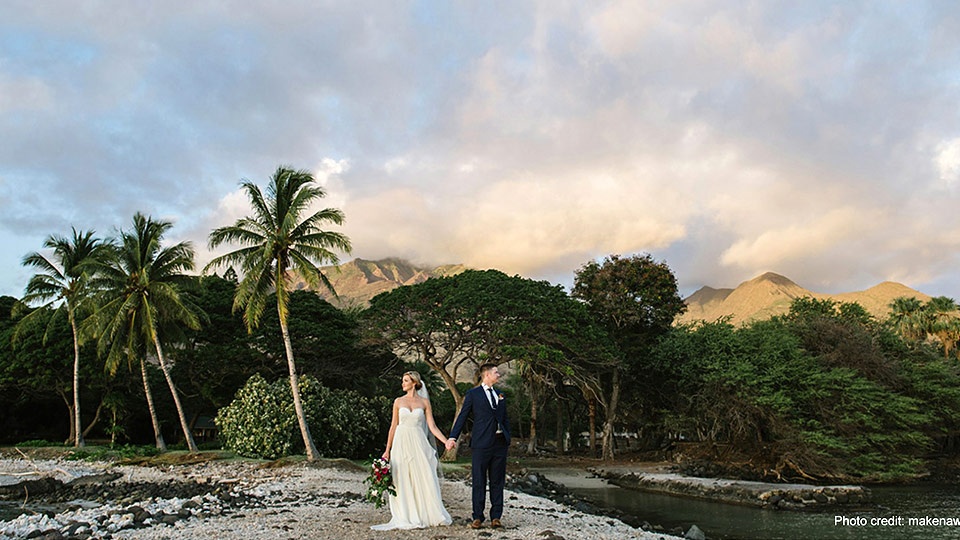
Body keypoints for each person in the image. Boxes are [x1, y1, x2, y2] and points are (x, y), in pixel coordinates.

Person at [371, 371, 452, 531]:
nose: (403, 383)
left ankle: (425, 513)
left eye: (406, 380)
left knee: (423, 475)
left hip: (418, 442)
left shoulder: (424, 402)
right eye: (403, 380)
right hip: (401, 442)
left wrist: (446, 441)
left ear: (414, 382)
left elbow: (432, 426)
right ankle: (406, 514)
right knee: (402, 477)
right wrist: (387, 450)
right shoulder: (398, 401)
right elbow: (393, 426)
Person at [446, 363, 511, 530]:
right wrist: (453, 437)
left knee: (497, 481)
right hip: (481, 444)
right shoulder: (473, 394)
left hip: (499, 444)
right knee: (479, 480)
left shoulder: (500, 394)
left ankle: (496, 517)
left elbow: (504, 418)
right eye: (496, 372)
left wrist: (507, 436)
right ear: (487, 374)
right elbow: (463, 416)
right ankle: (477, 517)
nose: (499, 374)